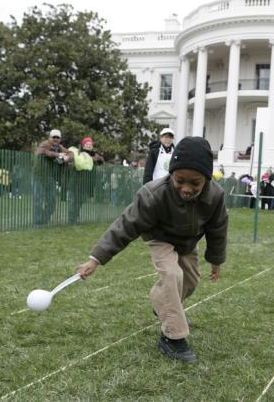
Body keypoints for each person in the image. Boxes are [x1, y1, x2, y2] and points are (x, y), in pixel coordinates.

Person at [75, 137, 228, 364]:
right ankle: (172, 339)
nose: (186, 188)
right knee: (171, 275)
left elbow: (218, 228)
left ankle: (161, 303)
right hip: (160, 238)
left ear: (206, 178)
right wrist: (95, 259)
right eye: (180, 181)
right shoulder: (153, 194)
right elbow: (124, 226)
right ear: (171, 174)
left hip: (187, 243)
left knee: (190, 282)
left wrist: (216, 260)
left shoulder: (215, 195)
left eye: (195, 183)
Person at [33, 129, 72, 226]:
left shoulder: (60, 147)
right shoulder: (44, 144)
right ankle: (37, 223)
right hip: (39, 176)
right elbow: (40, 152)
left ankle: (43, 220)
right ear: (49, 137)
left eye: (57, 137)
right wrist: (57, 155)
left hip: (51, 178)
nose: (55, 139)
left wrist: (67, 157)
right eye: (53, 137)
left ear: (60, 139)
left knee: (51, 202)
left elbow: (71, 153)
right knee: (38, 200)